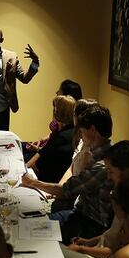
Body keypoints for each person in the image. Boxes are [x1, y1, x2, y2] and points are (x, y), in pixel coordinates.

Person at [22, 104, 114, 244]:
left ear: (93, 130)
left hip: (91, 224)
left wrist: (32, 183)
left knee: (30, 231)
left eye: (82, 132)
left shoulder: (103, 164)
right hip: (80, 214)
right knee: (31, 223)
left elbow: (67, 191)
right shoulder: (97, 153)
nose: (81, 136)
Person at [26, 95, 75, 183]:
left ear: (57, 113)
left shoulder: (61, 137)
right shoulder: (72, 131)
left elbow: (37, 166)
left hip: (48, 181)